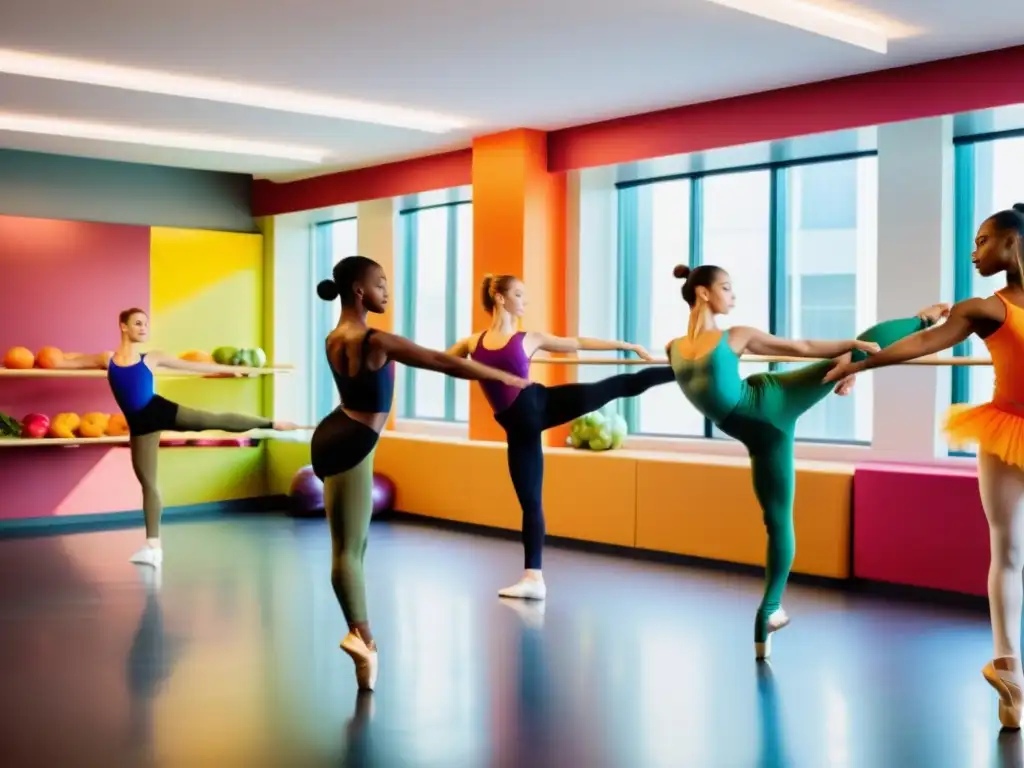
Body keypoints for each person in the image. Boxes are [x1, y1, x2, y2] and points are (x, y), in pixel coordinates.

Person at [665, 263, 948, 660]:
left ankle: (924, 320)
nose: (734, 296)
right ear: (703, 293)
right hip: (766, 418)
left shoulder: (674, 347)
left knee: (779, 522)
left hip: (765, 410)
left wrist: (853, 356)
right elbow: (798, 348)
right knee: (776, 521)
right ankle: (768, 612)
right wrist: (851, 359)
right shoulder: (729, 337)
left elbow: (799, 349)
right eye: (727, 288)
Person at [825, 203, 1024, 729]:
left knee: (1010, 551)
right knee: (1006, 550)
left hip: (1008, 430)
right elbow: (923, 341)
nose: (973, 251)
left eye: (982, 240)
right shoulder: (987, 308)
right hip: (1006, 431)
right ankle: (1011, 672)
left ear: (1011, 243)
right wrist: (862, 364)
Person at [313, 256, 529, 692]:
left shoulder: (334, 336)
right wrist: (500, 374)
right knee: (349, 552)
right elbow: (441, 361)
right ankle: (362, 638)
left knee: (354, 545)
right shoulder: (377, 340)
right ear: (359, 290)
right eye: (380, 283)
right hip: (352, 441)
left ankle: (360, 635)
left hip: (336, 431)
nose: (387, 291)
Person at [447, 273, 675, 602]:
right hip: (518, 430)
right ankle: (533, 579)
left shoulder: (530, 338)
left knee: (615, 387)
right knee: (530, 502)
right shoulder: (473, 343)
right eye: (520, 295)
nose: (525, 302)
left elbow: (578, 343)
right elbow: (442, 362)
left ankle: (681, 370)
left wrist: (628, 346)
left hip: (543, 404)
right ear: (500, 298)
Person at [53, 308, 296, 567]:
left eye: (146, 324)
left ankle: (272, 423)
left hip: (159, 411)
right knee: (148, 483)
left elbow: (194, 366)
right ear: (123, 327)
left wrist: (230, 369)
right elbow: (67, 361)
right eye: (138, 323)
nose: (144, 328)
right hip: (139, 426)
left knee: (211, 420)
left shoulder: (152, 358)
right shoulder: (108, 359)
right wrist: (50, 358)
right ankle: (153, 548)